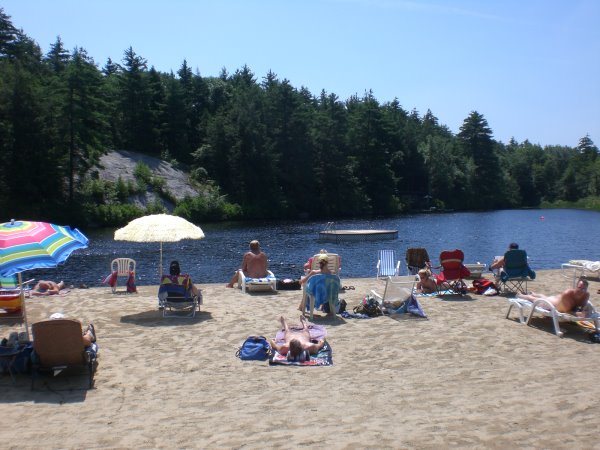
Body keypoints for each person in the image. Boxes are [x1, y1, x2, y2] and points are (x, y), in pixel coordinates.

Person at [517, 278, 592, 316]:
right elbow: (563, 311)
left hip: (556, 299)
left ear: (586, 289)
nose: (581, 290)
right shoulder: (568, 294)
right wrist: (578, 313)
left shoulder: (586, 295)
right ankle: (521, 295)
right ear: (576, 287)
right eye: (579, 288)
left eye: (583, 289)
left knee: (544, 297)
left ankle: (534, 293)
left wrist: (584, 310)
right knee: (535, 299)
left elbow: (582, 307)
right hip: (551, 305)